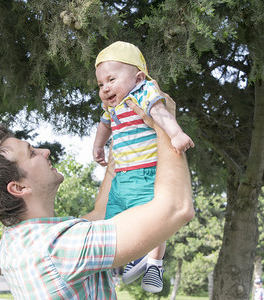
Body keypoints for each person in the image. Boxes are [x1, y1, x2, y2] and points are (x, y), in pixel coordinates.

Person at [0, 96, 194, 299]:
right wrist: (165, 122)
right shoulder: (57, 249)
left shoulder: (16, 242)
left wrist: (121, 140)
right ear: (18, 187)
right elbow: (176, 208)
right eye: (32, 153)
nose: (45, 151)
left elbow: (101, 213)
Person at [93, 41, 194, 293]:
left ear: (138, 77)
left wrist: (176, 134)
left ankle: (154, 264)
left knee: (153, 218)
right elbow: (104, 125)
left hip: (146, 171)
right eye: (100, 84)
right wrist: (98, 146)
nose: (105, 88)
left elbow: (161, 113)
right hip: (121, 176)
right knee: (112, 218)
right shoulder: (112, 105)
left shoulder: (143, 92)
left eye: (111, 79)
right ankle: (133, 256)